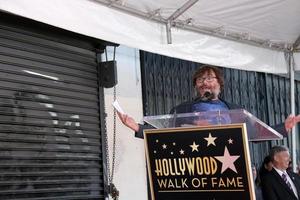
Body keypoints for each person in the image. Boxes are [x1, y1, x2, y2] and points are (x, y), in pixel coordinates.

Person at [117, 65, 300, 138]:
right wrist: (138, 128)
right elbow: (166, 133)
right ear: (196, 86)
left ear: (219, 83)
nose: (205, 82)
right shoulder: (182, 110)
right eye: (200, 80)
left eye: (210, 78)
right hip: (197, 164)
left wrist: (283, 127)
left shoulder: (234, 110)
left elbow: (257, 133)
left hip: (229, 163)